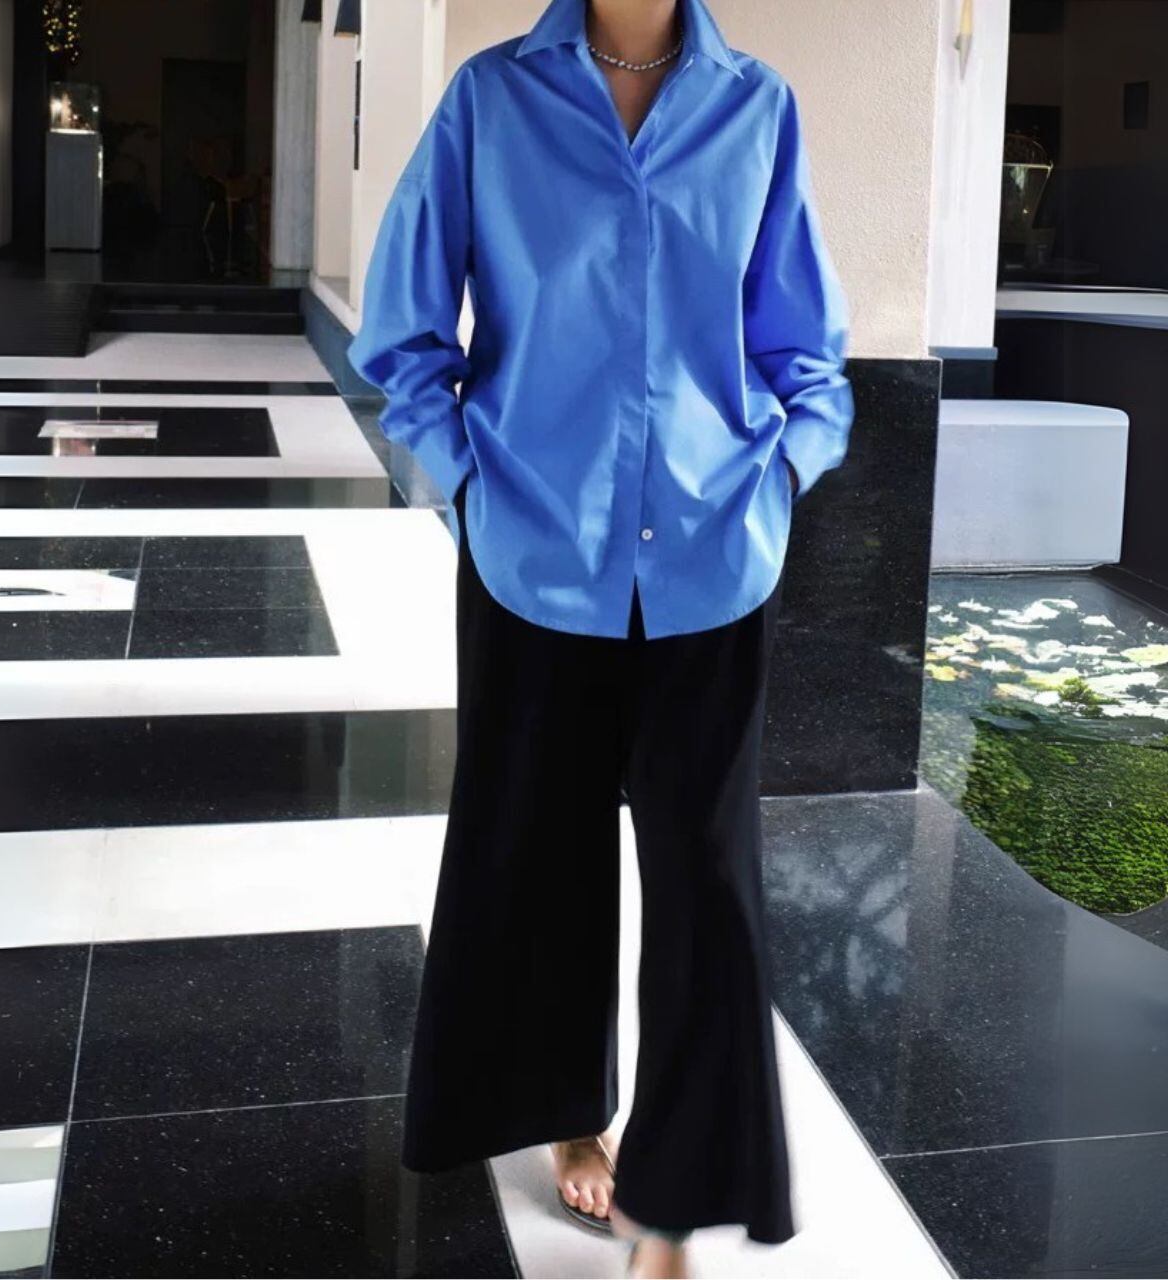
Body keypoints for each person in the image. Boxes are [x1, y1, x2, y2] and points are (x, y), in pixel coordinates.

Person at [346, 0, 853, 1274]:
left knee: (707, 879)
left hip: (710, 553)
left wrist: (781, 473)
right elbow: (401, 328)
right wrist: (468, 481)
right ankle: (572, 1116)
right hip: (535, 551)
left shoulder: (755, 106)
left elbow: (804, 345)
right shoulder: (490, 100)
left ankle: (670, 1200)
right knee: (533, 853)